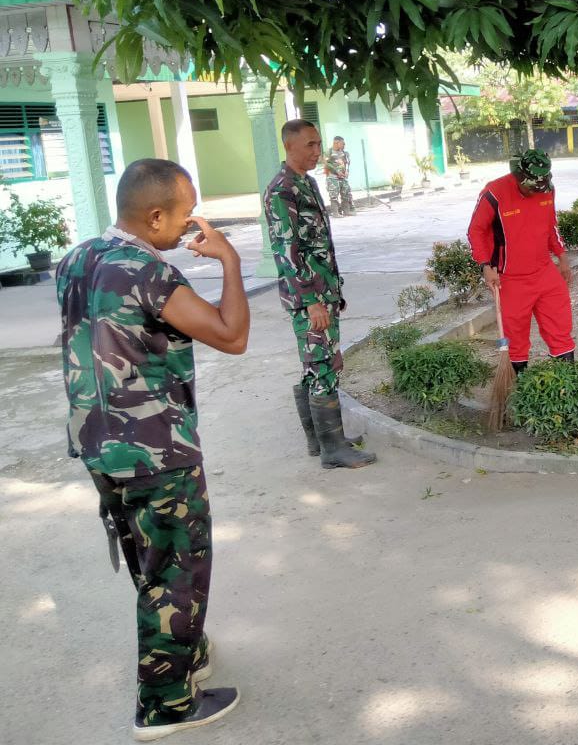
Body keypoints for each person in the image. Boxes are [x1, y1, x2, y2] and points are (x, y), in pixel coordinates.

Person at [56, 158, 250, 740]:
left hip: (97, 444)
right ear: (156, 214)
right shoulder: (147, 271)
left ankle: (183, 653)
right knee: (176, 570)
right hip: (155, 452)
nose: (192, 224)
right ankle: (165, 705)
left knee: (150, 563)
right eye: (186, 214)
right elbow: (232, 335)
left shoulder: (77, 260)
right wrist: (230, 262)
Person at [264, 119, 375, 468]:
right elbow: (287, 250)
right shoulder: (282, 190)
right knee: (324, 365)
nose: (317, 151)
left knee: (317, 365)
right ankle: (333, 450)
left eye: (318, 144)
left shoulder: (306, 182)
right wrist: (311, 301)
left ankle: (323, 440)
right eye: (310, 145)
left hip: (323, 291)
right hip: (309, 298)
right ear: (289, 147)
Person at [467, 148, 575, 373]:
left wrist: (562, 256)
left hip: (544, 271)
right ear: (519, 176)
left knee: (560, 327)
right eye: (530, 187)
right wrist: (485, 266)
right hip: (510, 278)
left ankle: (567, 384)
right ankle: (519, 387)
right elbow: (476, 231)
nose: (535, 191)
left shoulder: (547, 189)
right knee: (515, 339)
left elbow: (551, 225)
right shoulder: (494, 192)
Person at [323, 136, 355, 216]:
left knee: (346, 194)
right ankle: (335, 212)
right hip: (333, 178)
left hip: (343, 177)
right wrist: (336, 171)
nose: (344, 145)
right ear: (336, 143)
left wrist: (347, 171)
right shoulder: (329, 152)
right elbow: (327, 164)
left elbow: (347, 163)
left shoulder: (344, 153)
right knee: (334, 195)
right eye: (342, 143)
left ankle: (347, 211)